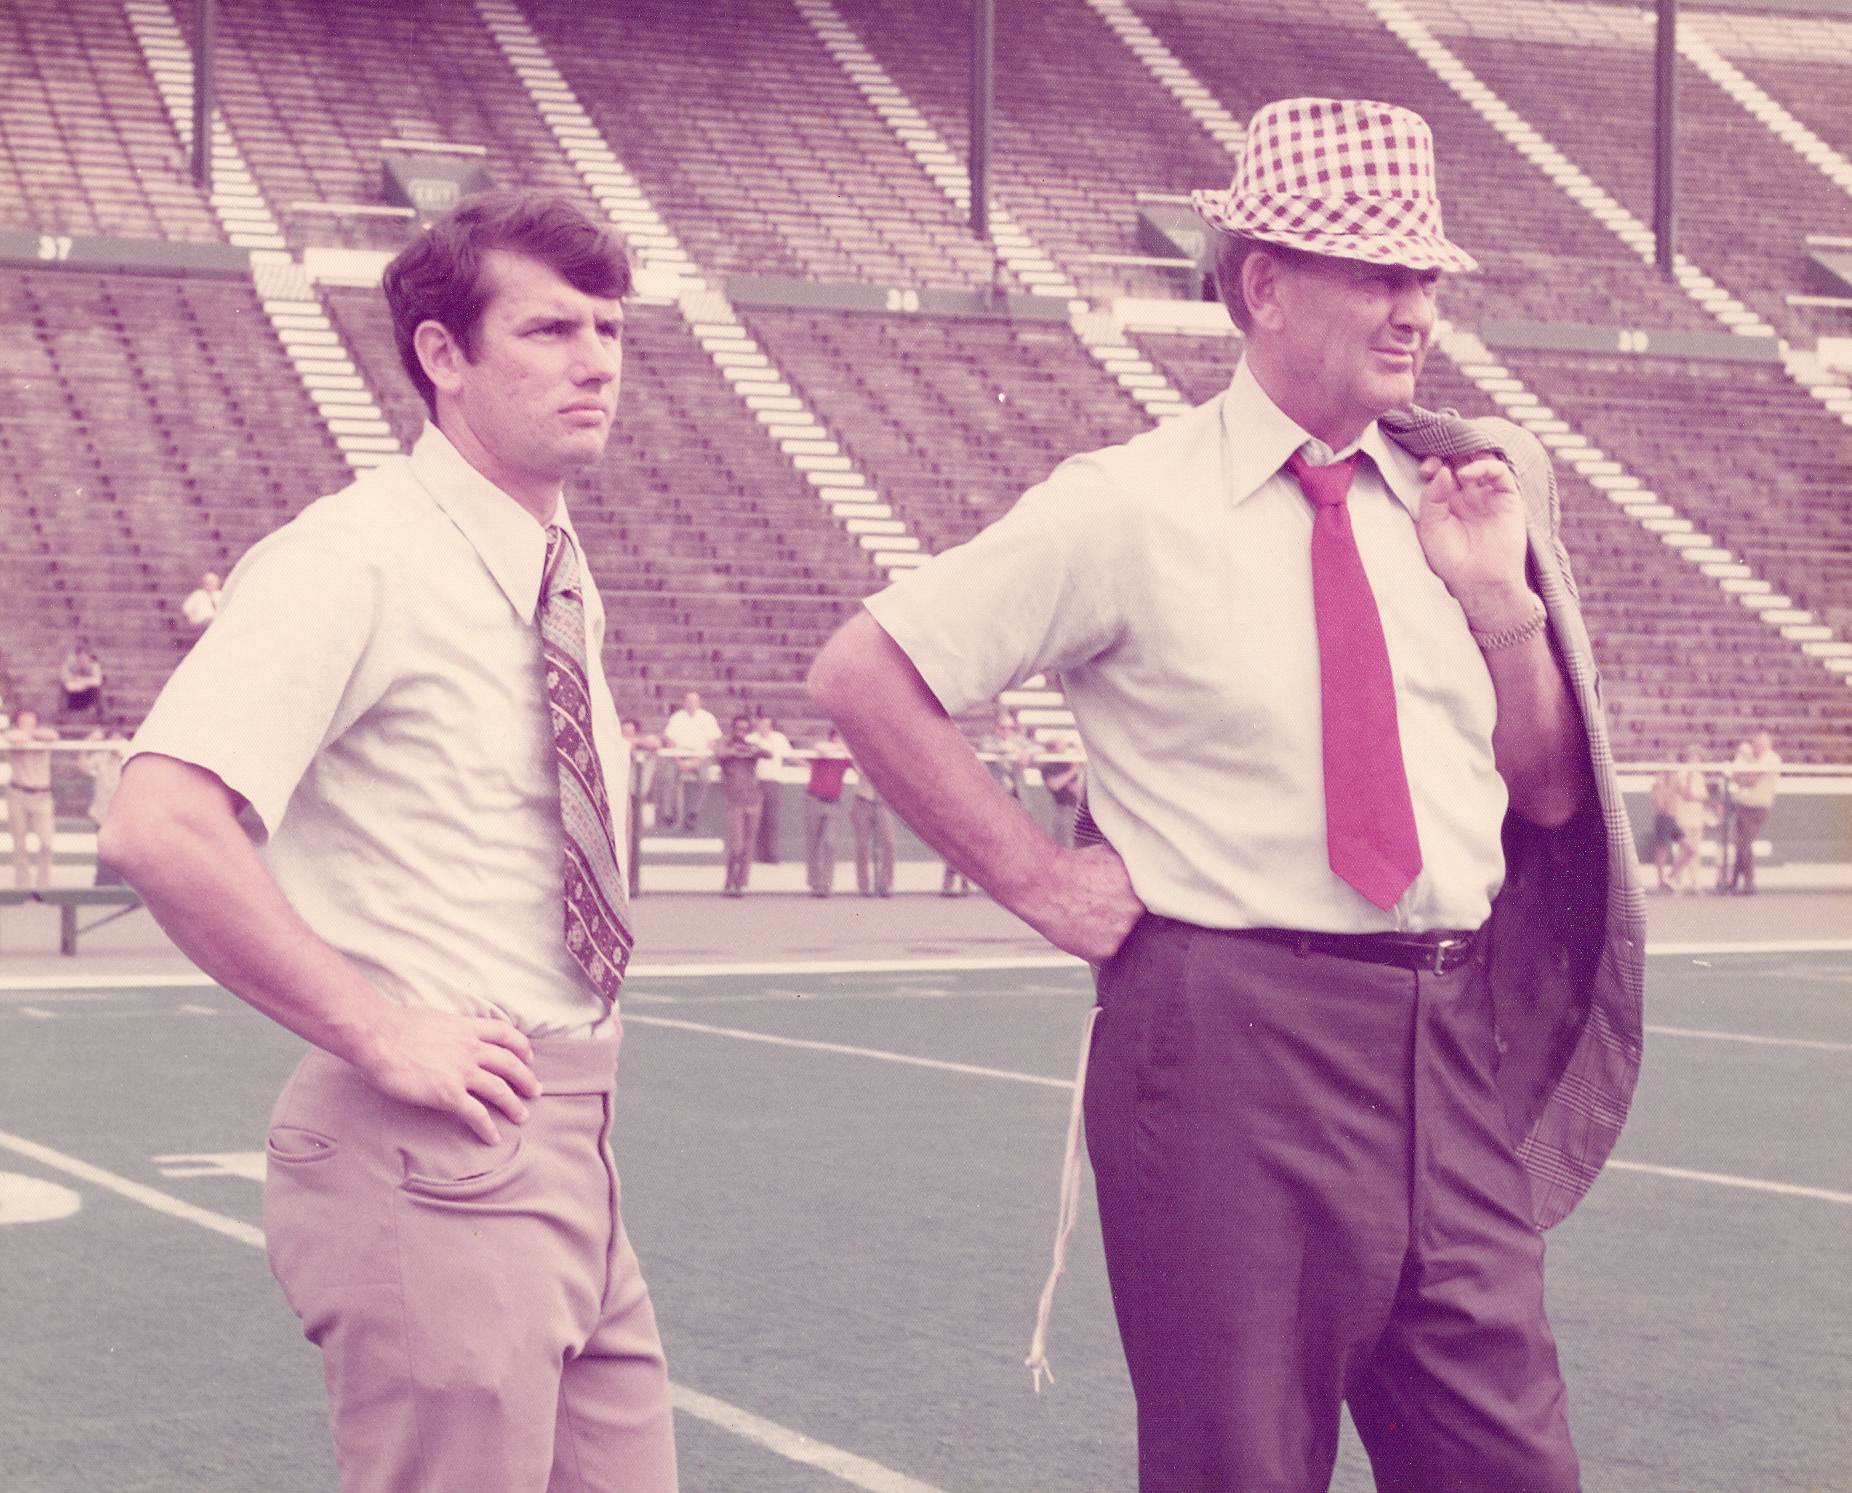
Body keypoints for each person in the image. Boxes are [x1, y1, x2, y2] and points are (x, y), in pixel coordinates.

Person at [808, 98, 1643, 1493]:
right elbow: (863, 672)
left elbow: (1551, 796)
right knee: (1238, 1472)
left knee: (1514, 1469)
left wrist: (1500, 599)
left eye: (1427, 277)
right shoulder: (1126, 505)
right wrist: (1036, 876)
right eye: (1381, 274)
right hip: (1229, 1047)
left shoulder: (1462, 497)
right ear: (1263, 284)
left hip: (1448, 1037)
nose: (1417, 310)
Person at [98, 192, 677, 1493]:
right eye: (549, 329)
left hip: (571, 1136)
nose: (595, 359)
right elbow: (157, 821)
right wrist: (373, 1025)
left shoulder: (550, 560)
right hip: (432, 1155)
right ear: (443, 356)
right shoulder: (351, 560)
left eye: (610, 328)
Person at [713, 714, 770, 896]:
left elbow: (768, 754)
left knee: (748, 845)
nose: (741, 732)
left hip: (753, 800)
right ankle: (729, 879)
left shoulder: (751, 745)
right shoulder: (725, 743)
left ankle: (740, 883)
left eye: (745, 729)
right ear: (732, 728)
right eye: (738, 729)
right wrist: (736, 750)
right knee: (736, 846)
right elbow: (720, 754)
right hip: (734, 802)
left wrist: (751, 750)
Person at [5, 708, 60, 889]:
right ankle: (23, 885)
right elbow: (13, 737)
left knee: (47, 844)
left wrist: (32, 733)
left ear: (37, 721)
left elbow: (53, 736)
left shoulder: (44, 736)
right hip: (17, 795)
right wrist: (26, 734)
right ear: (18, 721)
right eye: (23, 719)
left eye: (31, 719)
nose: (27, 722)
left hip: (42, 796)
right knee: (19, 843)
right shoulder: (13, 735)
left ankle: (42, 886)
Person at [1724, 729, 1781, 894]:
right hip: (1744, 806)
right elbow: (1738, 776)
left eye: (1758, 744)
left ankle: (1748, 883)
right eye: (1755, 744)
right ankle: (1735, 882)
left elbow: (1751, 779)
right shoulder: (1755, 759)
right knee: (1739, 845)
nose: (1755, 747)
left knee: (1744, 844)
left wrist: (1742, 778)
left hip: (1757, 809)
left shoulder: (1771, 758)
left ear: (1766, 744)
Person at [659, 689, 720, 832]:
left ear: (699, 703)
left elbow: (711, 742)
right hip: (678, 754)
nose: (691, 704)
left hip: (700, 755)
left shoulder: (708, 718)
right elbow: (670, 742)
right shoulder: (677, 717)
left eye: (694, 701)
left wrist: (697, 761)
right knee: (667, 777)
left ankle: (693, 813)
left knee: (705, 779)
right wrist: (679, 761)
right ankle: (667, 814)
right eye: (688, 701)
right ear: (684, 702)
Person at [801, 728, 853, 897]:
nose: (841, 741)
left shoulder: (845, 758)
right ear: (832, 738)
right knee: (813, 843)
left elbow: (859, 766)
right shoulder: (823, 751)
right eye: (838, 738)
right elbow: (819, 747)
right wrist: (840, 748)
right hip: (814, 801)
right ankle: (815, 883)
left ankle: (826, 884)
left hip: (833, 804)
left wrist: (847, 750)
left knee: (830, 843)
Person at [80, 724, 131, 886]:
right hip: (102, 811)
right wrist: (85, 746)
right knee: (104, 850)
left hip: (123, 813)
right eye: (112, 738)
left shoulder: (129, 756)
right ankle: (102, 885)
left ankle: (121, 885)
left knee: (121, 850)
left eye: (118, 738)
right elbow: (83, 767)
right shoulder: (100, 757)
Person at [849, 760, 895, 897]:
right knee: (862, 844)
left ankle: (885, 885)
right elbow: (859, 769)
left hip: (881, 802)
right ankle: (863, 885)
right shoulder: (863, 752)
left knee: (889, 842)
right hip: (862, 799)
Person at [751, 712, 792, 863]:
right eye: (760, 724)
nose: (762, 727)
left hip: (774, 783)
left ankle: (772, 855)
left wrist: (807, 765)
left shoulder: (779, 739)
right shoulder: (751, 739)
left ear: (771, 727)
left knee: (772, 820)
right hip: (756, 783)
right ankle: (757, 855)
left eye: (766, 725)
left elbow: (789, 755)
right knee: (756, 820)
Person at [58, 643, 103, 721]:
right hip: (73, 696)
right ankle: (62, 716)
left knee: (97, 689)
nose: (82, 659)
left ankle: (101, 715)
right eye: (80, 656)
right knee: (62, 688)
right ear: (76, 657)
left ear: (89, 657)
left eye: (85, 656)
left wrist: (81, 680)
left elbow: (98, 681)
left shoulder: (93, 665)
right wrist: (85, 683)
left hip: (87, 696)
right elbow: (68, 686)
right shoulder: (67, 666)